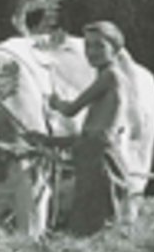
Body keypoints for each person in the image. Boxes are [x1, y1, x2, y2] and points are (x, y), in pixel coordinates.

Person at [41, 20, 137, 236]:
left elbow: (71, 110)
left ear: (115, 49)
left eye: (99, 46)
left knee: (94, 219)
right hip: (94, 152)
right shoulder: (111, 77)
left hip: (99, 157)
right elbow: (93, 132)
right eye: (88, 46)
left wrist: (54, 101)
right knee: (94, 217)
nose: (91, 52)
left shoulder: (110, 76)